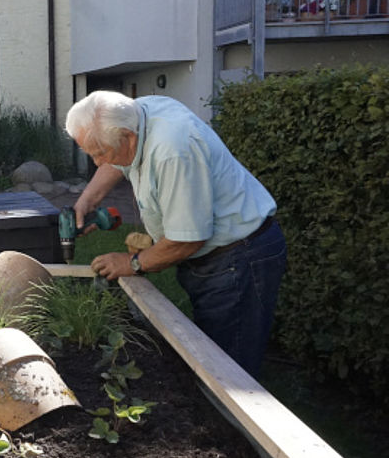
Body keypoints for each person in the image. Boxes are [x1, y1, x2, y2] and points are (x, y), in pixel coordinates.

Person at [65, 91, 287, 377]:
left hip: (238, 258)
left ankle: (231, 420)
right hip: (215, 257)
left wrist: (131, 263)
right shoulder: (135, 113)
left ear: (128, 138)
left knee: (229, 371)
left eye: (99, 153)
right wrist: (89, 200)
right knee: (211, 350)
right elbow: (114, 158)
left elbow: (188, 239)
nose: (97, 163)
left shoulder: (173, 150)